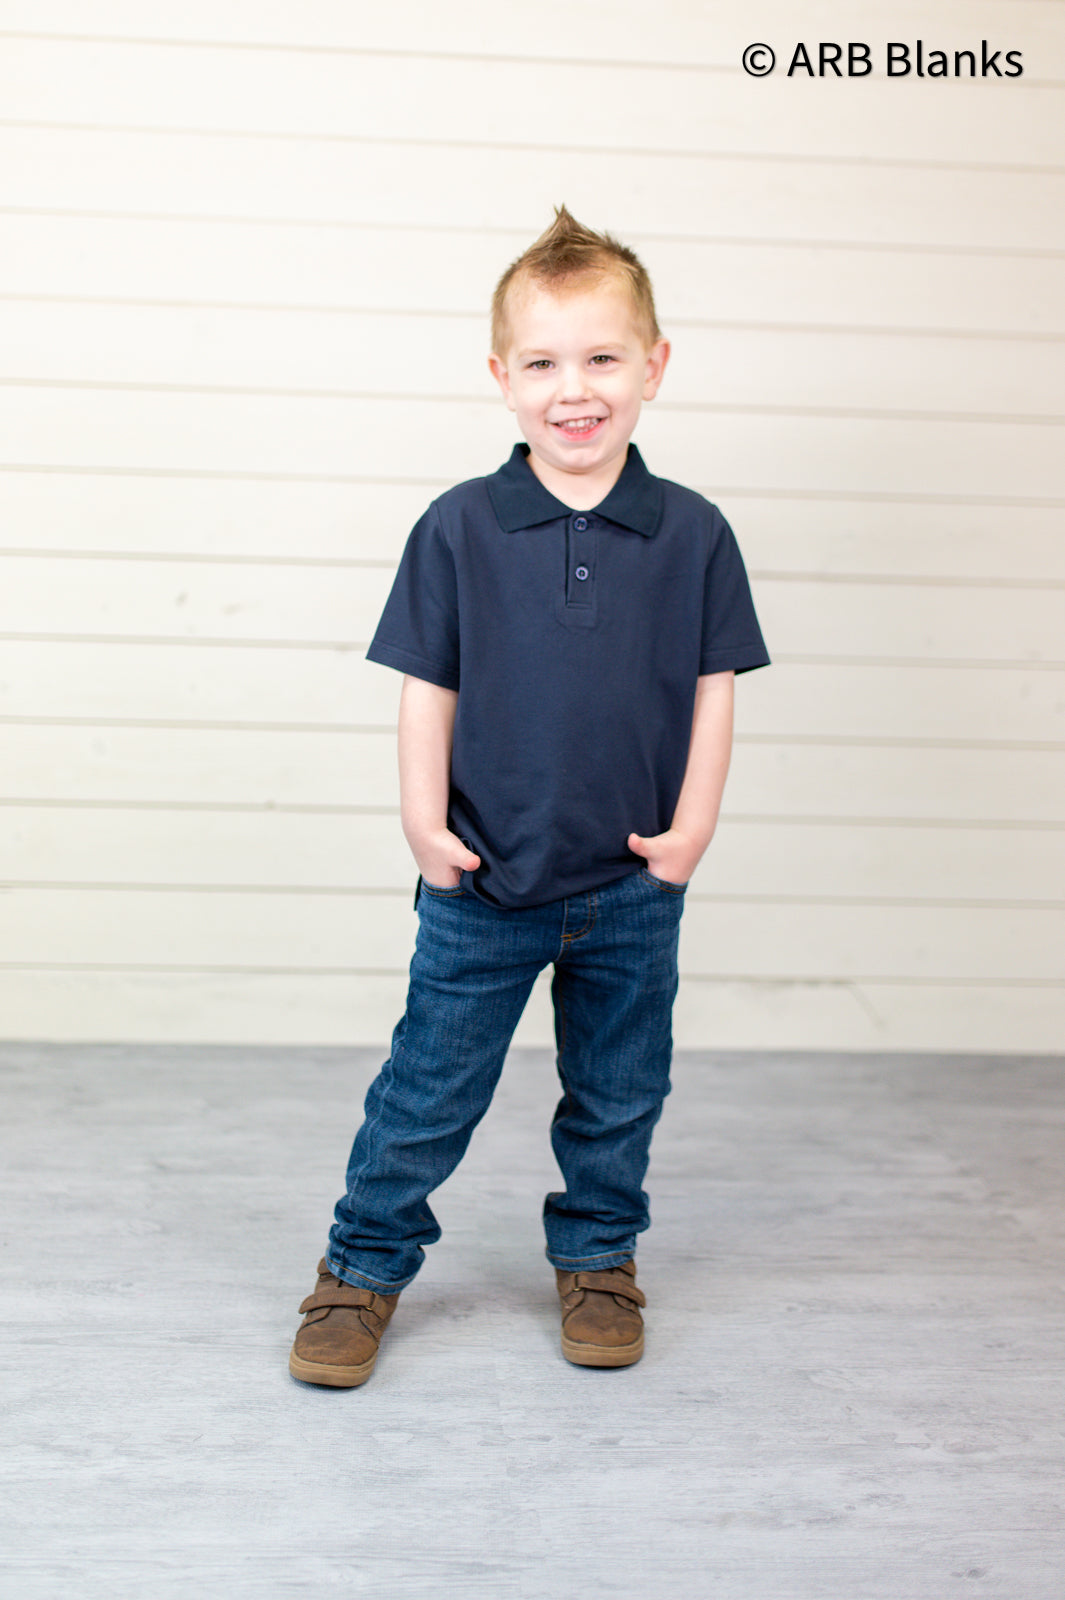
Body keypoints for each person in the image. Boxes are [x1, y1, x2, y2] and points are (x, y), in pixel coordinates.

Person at [289, 206, 770, 1387]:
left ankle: (600, 1259)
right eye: (545, 363)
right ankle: (360, 1266)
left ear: (654, 366)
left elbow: (713, 688)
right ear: (502, 378)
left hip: (631, 884)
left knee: (618, 1092)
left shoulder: (695, 533)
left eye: (603, 357)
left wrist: (692, 831)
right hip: (484, 880)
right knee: (426, 1091)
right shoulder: (460, 526)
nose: (576, 389)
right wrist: (425, 824)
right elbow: (428, 689)